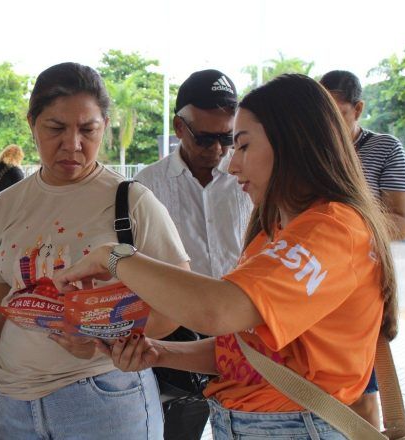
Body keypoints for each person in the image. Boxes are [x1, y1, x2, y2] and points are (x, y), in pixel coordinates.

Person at [54, 74, 397, 439]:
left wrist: (116, 257)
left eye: (243, 146)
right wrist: (159, 352)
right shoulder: (275, 232)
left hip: (295, 425)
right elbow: (245, 347)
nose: (232, 165)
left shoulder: (333, 230)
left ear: (293, 144)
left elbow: (219, 311)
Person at [0, 62, 190, 440]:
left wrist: (107, 344)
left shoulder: (132, 202)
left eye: (87, 130)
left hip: (105, 399)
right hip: (16, 405)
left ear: (105, 126)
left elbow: (180, 303)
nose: (73, 144)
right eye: (56, 128)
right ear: (32, 123)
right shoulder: (6, 205)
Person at [134, 69, 252, 440]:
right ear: (179, 127)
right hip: (177, 338)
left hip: (243, 333)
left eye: (227, 138)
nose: (218, 150)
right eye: (205, 138)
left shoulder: (250, 180)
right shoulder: (144, 188)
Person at [320, 70, 405, 427]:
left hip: (360, 290)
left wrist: (335, 231)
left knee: (363, 396)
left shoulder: (384, 148)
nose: (328, 125)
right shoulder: (309, 151)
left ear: (357, 109)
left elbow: (402, 222)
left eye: (338, 114)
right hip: (309, 285)